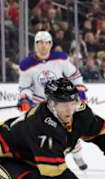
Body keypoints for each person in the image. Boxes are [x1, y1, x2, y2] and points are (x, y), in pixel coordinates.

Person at [17, 31, 89, 171]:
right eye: (39, 42)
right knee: (43, 134)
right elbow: (25, 87)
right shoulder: (26, 65)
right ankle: (46, 162)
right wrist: (25, 98)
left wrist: (79, 89)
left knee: (69, 131)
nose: (43, 46)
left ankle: (77, 154)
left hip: (61, 102)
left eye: (46, 42)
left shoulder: (60, 59)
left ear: (50, 44)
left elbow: (75, 75)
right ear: (35, 44)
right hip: (41, 105)